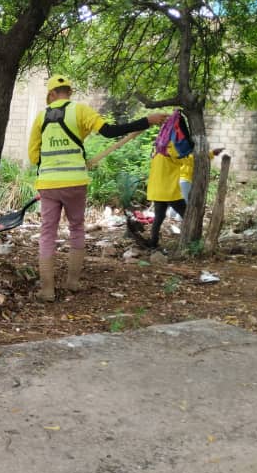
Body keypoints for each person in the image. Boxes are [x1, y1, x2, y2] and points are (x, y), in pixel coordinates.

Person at [28, 74, 169, 302]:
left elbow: (34, 156)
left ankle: (47, 290)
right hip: (75, 182)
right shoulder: (81, 110)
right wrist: (147, 120)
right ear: (69, 92)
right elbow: (110, 131)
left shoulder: (40, 117)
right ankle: (72, 282)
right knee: (76, 228)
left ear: (51, 94)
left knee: (47, 234)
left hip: (48, 184)